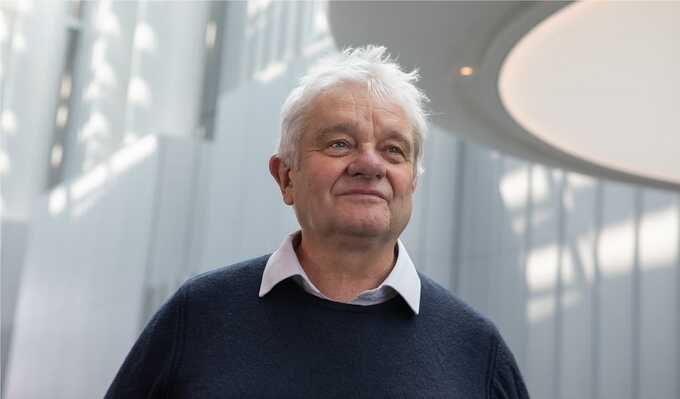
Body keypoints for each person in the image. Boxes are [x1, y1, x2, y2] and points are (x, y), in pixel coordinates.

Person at [105, 45, 530, 398]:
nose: (369, 164)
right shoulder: (199, 316)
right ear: (286, 177)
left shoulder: (475, 349)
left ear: (412, 183)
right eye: (340, 143)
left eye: (394, 150)